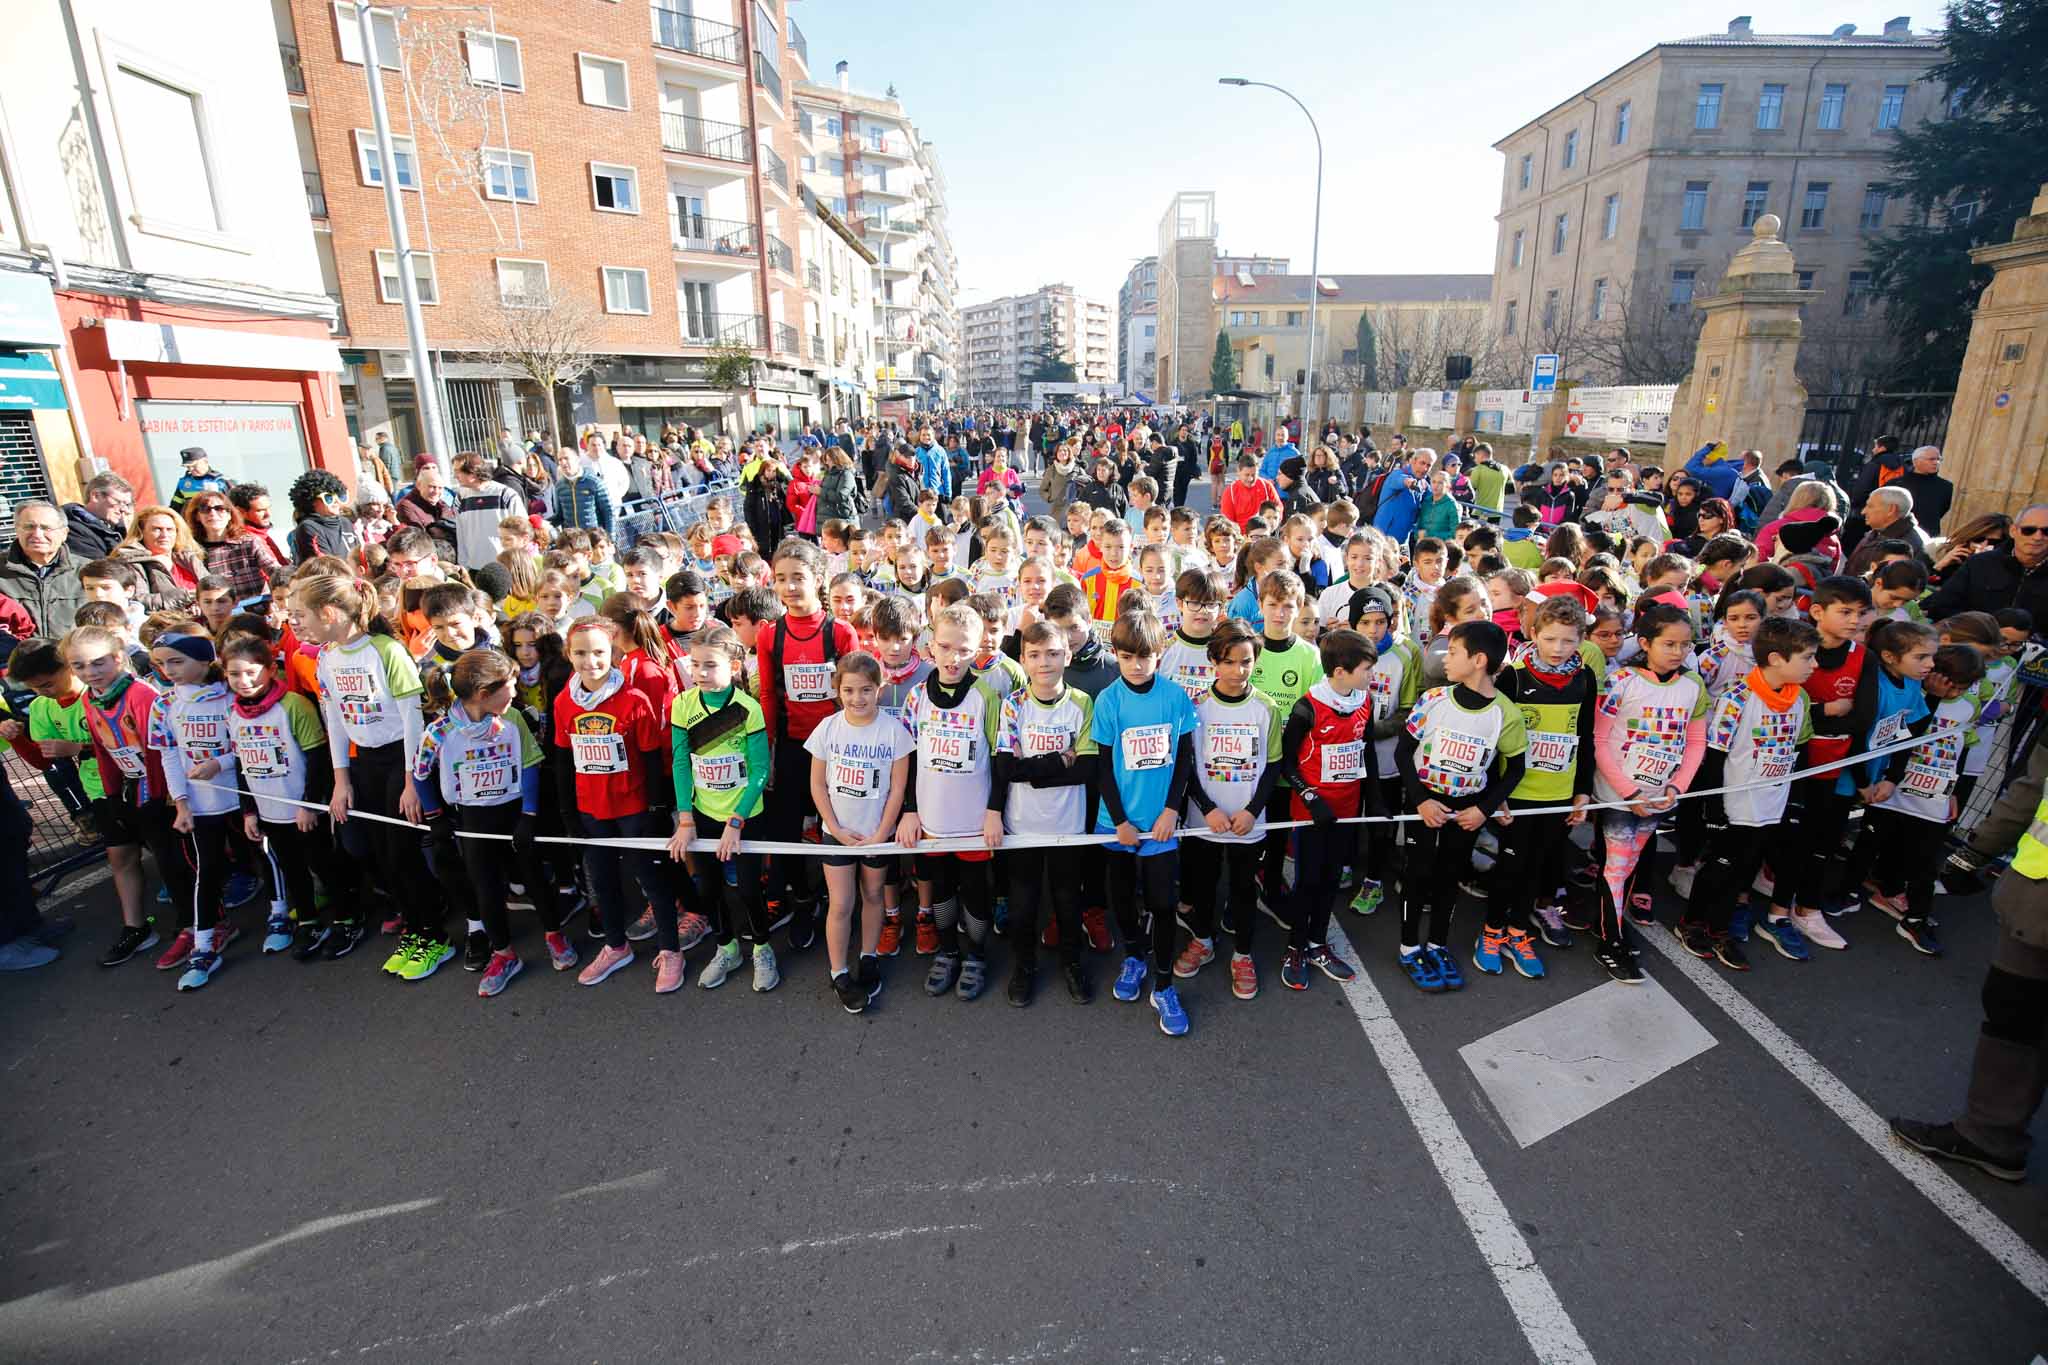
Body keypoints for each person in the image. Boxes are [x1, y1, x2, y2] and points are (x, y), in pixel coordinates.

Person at [1394, 620, 1527, 992]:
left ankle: (1437, 944)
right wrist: (1420, 800)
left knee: (1449, 876)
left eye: (1453, 652)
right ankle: (1408, 947)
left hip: (1467, 811)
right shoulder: (1433, 700)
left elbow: (1514, 768)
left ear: (1479, 659)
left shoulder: (1506, 713)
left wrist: (1484, 809)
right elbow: (1405, 752)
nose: (1444, 658)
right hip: (1425, 806)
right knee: (1418, 875)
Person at [1091, 609, 1199, 1036]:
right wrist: (1119, 821)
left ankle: (1165, 984)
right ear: (1116, 654)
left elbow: (1185, 759)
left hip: (1161, 827)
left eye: (1146, 656)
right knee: (1121, 900)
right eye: (1128, 656)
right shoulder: (1108, 701)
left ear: (1160, 653)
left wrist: (1172, 810)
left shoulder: (1174, 698)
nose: (1137, 665)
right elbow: (1102, 767)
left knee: (1163, 903)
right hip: (1116, 824)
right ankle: (1134, 955)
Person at [992, 621, 1098, 1006]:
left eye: (1053, 653)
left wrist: (1031, 770)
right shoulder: (1013, 704)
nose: (1044, 663)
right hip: (1022, 826)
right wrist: (1059, 760)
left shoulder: (1083, 703)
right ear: (1022, 660)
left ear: (1067, 656)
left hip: (1068, 827)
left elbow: (1088, 769)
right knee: (1022, 905)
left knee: (1068, 902)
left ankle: (1072, 963)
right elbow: (1005, 769)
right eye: (1034, 655)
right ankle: (1024, 966)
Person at [807, 651, 913, 1013]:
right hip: (836, 834)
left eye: (866, 690)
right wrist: (834, 827)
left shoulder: (895, 732)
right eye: (849, 690)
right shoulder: (828, 728)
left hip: (876, 836)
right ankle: (839, 971)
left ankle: (869, 956)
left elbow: (898, 789)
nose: (857, 698)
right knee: (841, 903)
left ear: (879, 690)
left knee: (873, 895)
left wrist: (883, 833)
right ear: (838, 690)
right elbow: (818, 786)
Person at [1276, 628, 1377, 991]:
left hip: (1347, 810)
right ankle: (1295, 947)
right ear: (1339, 671)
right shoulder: (1308, 707)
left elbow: (1366, 753)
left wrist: (1375, 799)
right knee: (1308, 881)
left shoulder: (1365, 700)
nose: (1371, 676)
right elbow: (1286, 763)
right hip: (1312, 812)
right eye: (1366, 669)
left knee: (1332, 880)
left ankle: (1318, 943)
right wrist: (1310, 797)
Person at [0, 501, 84, 635]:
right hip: (16, 654)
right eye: (29, 527)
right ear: (16, 530)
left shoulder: (87, 572)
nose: (37, 534)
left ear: (64, 533)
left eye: (46, 528)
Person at [185, 490, 282, 601]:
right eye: (205, 509)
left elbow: (275, 572)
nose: (213, 514)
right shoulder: (193, 552)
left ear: (229, 514)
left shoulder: (248, 542)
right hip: (222, 614)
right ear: (197, 516)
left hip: (259, 610)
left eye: (220, 508)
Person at [63, 473, 135, 561]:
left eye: (127, 504)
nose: (124, 509)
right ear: (95, 496)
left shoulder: (121, 528)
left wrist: (132, 534)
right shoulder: (74, 530)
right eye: (118, 502)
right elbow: (102, 570)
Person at [169, 447, 229, 513]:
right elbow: (175, 507)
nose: (190, 469)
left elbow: (231, 507)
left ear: (205, 461)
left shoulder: (220, 481)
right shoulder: (183, 483)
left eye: (194, 466)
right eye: (188, 467)